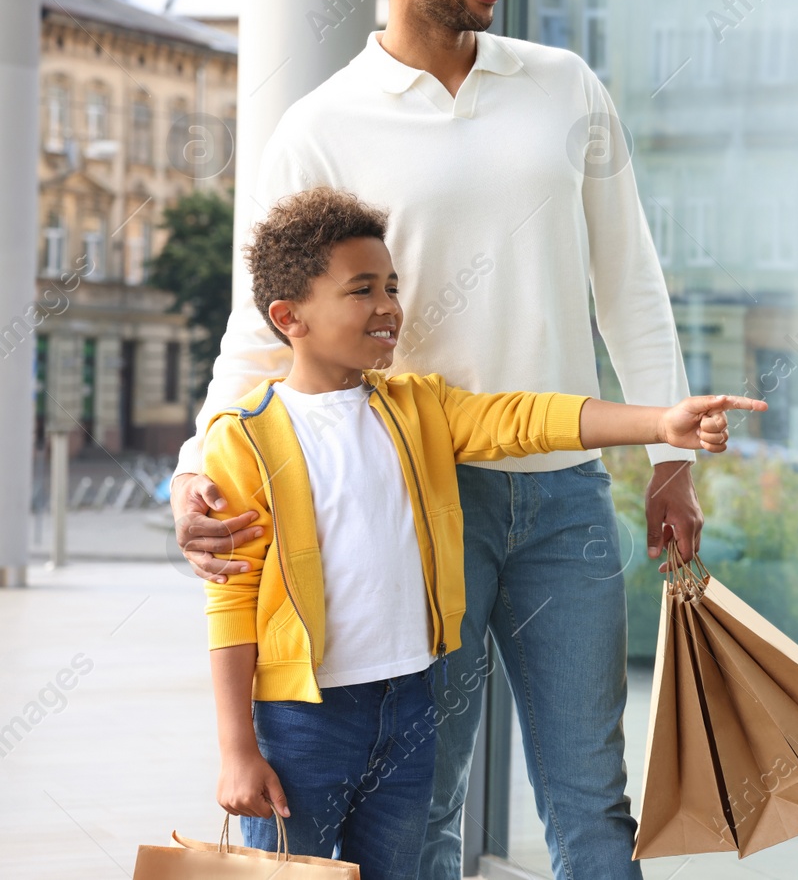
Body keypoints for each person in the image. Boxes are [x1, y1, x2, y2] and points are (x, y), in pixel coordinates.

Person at [174, 0, 707, 880]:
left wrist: (671, 461)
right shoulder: (321, 125)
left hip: (564, 501)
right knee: (426, 810)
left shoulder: (563, 88)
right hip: (415, 513)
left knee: (593, 799)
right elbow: (261, 329)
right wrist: (195, 468)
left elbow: (630, 285)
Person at [209, 188, 763, 879]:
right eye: (361, 290)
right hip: (303, 720)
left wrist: (658, 424)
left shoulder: (416, 408)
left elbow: (524, 419)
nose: (388, 306)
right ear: (289, 317)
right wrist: (238, 747)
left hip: (410, 706)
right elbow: (230, 603)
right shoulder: (245, 438)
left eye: (392, 286)